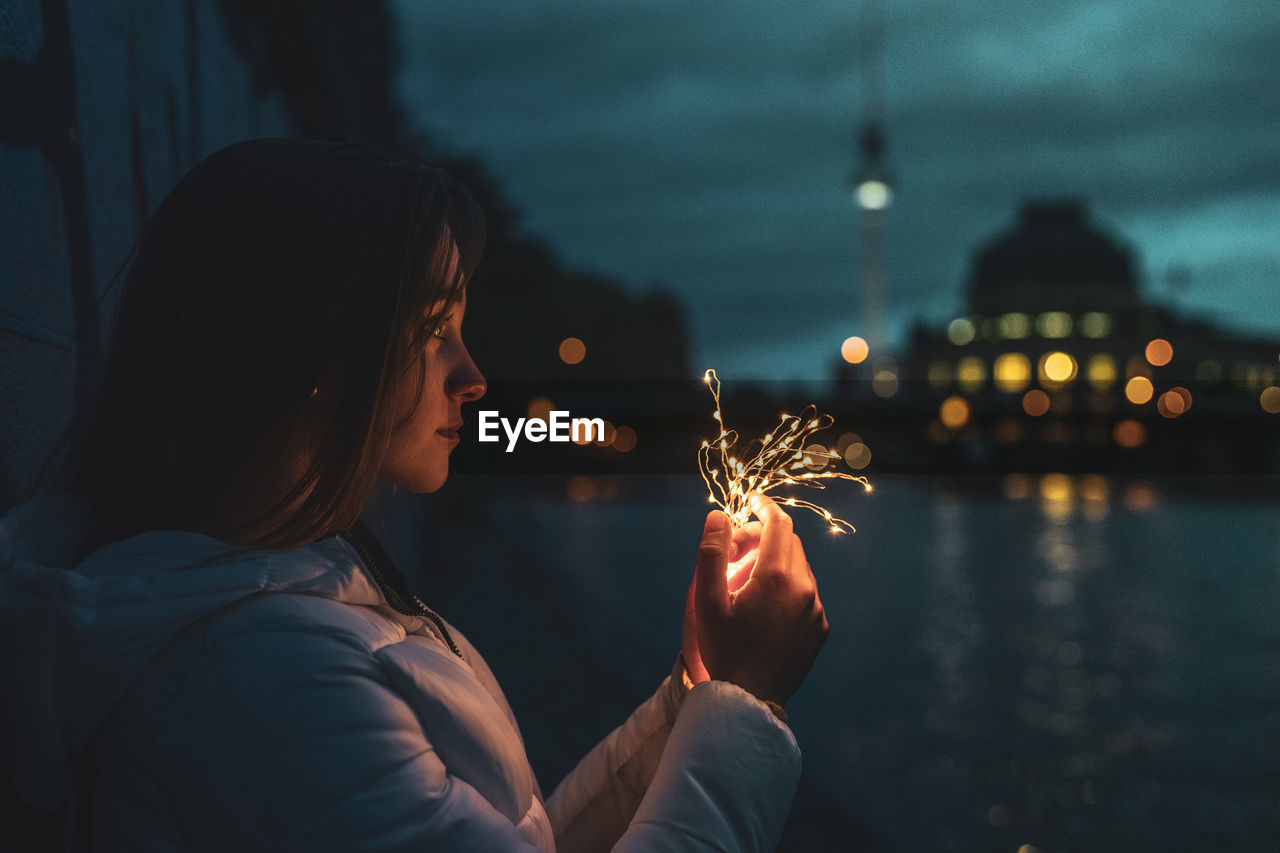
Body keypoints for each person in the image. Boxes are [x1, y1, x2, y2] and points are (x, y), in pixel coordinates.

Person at [0, 139, 829, 852]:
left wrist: (696, 691)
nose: (473, 377)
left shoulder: (301, 580)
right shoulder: (260, 680)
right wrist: (744, 705)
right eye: (435, 332)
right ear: (308, 356)